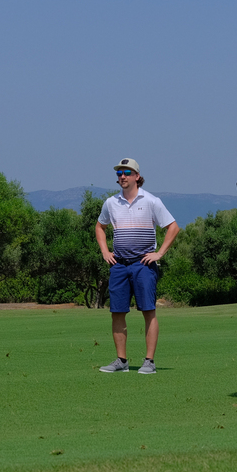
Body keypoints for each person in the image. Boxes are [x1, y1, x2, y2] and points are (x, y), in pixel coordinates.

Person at [95, 158, 180, 374]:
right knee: (117, 312)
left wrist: (159, 253)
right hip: (119, 265)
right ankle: (121, 361)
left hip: (143, 265)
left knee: (148, 311)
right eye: (119, 173)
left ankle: (149, 361)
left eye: (127, 172)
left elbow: (173, 227)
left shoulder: (151, 201)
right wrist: (105, 251)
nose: (122, 176)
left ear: (137, 177)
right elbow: (100, 226)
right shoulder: (111, 203)